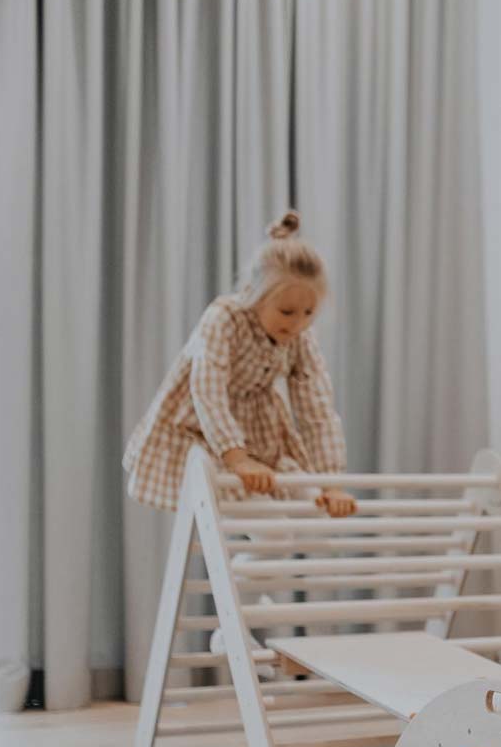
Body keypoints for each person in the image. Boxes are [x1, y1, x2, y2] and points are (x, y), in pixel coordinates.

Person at [123, 210, 355, 517]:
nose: (298, 323)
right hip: (202, 430)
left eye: (309, 313)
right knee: (270, 528)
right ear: (257, 296)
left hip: (260, 432)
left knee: (310, 503)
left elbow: (317, 408)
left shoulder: (300, 336)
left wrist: (330, 481)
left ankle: (281, 531)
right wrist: (237, 457)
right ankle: (255, 540)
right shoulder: (224, 318)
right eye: (286, 312)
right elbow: (207, 390)